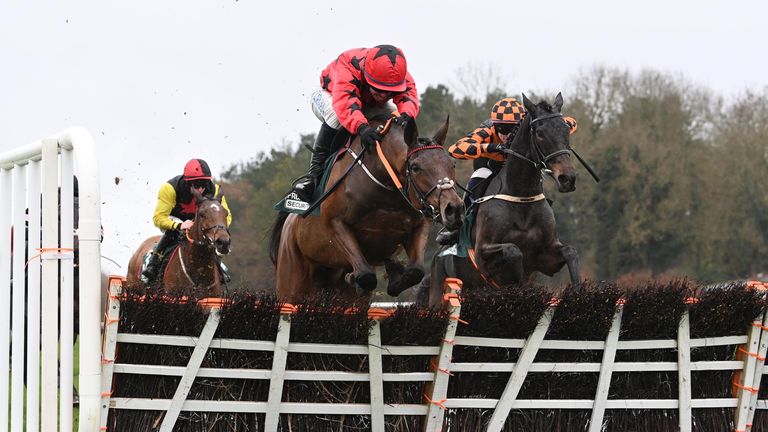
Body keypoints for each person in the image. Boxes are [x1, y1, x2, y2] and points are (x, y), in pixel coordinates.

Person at [288, 44, 420, 204]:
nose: (384, 95)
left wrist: (406, 115)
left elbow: (409, 100)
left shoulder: (400, 74)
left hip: (365, 102)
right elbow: (345, 103)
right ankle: (313, 177)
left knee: (398, 121)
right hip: (330, 95)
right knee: (336, 117)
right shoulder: (349, 66)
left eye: (390, 91)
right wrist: (362, 128)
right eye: (378, 89)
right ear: (367, 75)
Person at [436, 97, 577, 245]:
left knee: (534, 176)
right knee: (478, 177)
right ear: (494, 125)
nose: (506, 134)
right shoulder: (487, 130)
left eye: (512, 128)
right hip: (490, 166)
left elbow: (569, 122)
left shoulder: (529, 127)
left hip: (517, 169)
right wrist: (489, 147)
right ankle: (459, 228)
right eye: (501, 128)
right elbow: (454, 149)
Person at [141, 158, 233, 283]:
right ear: (187, 182)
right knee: (172, 233)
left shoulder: (215, 190)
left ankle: (218, 264)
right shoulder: (170, 189)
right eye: (196, 185)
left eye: (204, 184)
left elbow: (226, 215)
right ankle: (153, 263)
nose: (201, 189)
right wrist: (179, 225)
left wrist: (217, 228)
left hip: (200, 220)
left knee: (208, 237)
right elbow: (158, 218)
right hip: (175, 219)